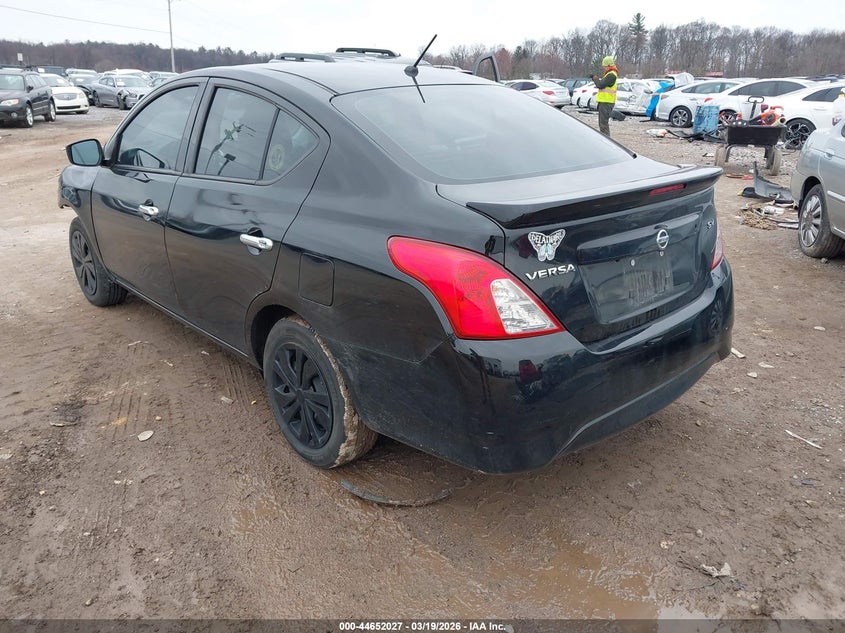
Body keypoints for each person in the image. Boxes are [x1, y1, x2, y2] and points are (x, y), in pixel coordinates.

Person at [592, 56, 619, 137]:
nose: (604, 68)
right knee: (602, 123)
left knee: (603, 123)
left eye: (605, 66)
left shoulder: (611, 75)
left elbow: (600, 85)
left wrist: (595, 78)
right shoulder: (609, 74)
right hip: (605, 101)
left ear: (609, 65)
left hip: (607, 102)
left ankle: (606, 140)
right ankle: (605, 138)